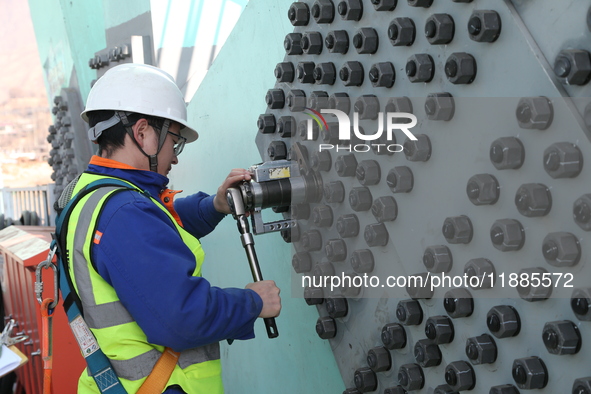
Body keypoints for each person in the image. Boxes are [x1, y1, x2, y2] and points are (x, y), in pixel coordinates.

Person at [62, 63, 281, 393]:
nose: (175, 157)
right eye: (174, 142)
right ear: (143, 133)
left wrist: (215, 205)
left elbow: (156, 225)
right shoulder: (125, 213)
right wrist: (252, 302)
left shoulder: (88, 192)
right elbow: (182, 317)